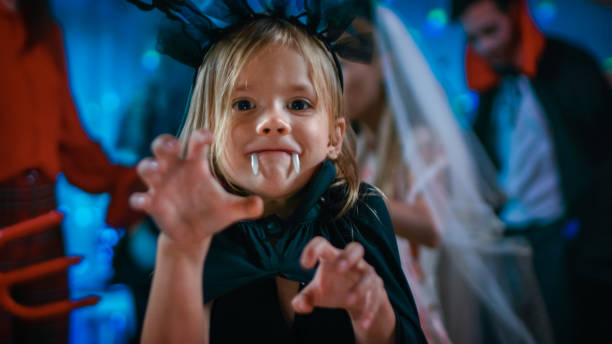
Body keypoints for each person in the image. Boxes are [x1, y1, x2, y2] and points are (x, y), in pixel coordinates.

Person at [126, 1, 427, 343]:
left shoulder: (362, 212)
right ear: (207, 132)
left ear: (334, 135)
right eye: (244, 105)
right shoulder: (198, 227)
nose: (273, 122)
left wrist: (371, 313)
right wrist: (181, 251)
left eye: (299, 104)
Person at [343, 5, 552, 344]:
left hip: (424, 302)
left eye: (341, 65)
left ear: (384, 63)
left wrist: (345, 192)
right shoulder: (363, 147)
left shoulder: (421, 143)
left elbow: (432, 226)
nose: (330, 81)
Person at [450, 0, 612, 342]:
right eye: (474, 38)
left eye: (490, 31)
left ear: (514, 14)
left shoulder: (569, 66)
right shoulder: (490, 88)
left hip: (567, 236)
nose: (484, 46)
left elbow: (600, 153)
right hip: (512, 235)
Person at [0, 0, 145, 342]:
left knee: (47, 334)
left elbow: (69, 136)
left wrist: (129, 181)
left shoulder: (43, 28)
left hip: (43, 214)